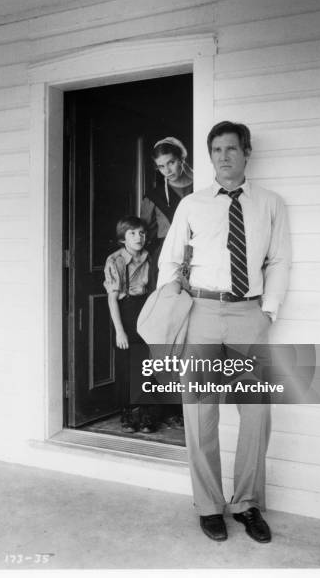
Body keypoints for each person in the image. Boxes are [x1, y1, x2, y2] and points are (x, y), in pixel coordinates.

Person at [157, 121, 291, 543]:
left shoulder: (270, 203)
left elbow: (279, 260)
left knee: (256, 411)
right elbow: (170, 260)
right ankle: (209, 505)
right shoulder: (191, 205)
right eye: (216, 150)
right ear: (209, 155)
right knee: (200, 410)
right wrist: (176, 306)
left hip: (249, 313)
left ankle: (247, 504)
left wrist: (267, 311)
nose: (223, 156)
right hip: (201, 310)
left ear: (246, 152)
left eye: (231, 148)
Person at [140, 137, 193, 428]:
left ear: (182, 158)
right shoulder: (153, 196)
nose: (167, 170)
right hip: (165, 268)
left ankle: (186, 408)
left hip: (197, 263)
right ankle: (156, 410)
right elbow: (142, 233)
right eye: (161, 166)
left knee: (188, 334)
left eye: (171, 162)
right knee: (162, 334)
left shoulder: (202, 186)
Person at [103, 216, 156, 434]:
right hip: (125, 312)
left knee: (146, 365)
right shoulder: (115, 260)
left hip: (147, 309)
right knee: (127, 367)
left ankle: (145, 415)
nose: (138, 237)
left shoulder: (149, 258)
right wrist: (120, 332)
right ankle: (129, 415)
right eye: (132, 233)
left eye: (142, 233)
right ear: (123, 238)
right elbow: (112, 298)